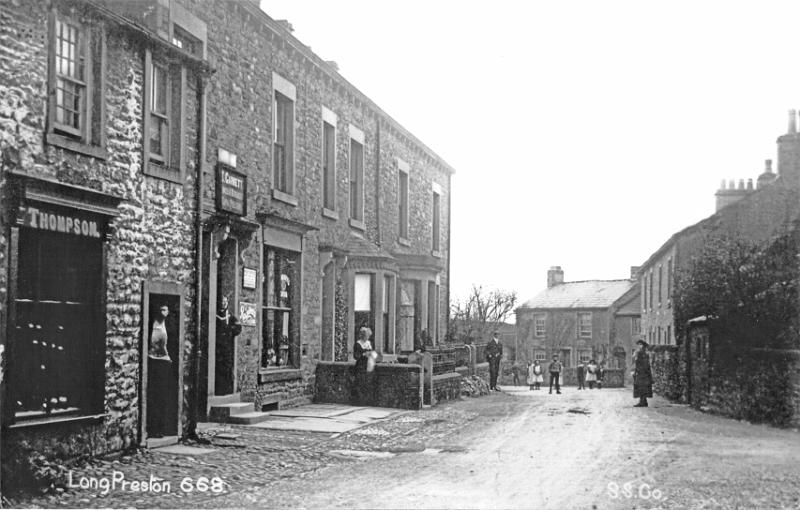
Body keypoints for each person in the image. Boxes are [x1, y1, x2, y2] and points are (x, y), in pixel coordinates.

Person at [148, 304, 172, 438]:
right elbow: (154, 343)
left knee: (163, 396)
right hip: (155, 361)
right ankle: (154, 428)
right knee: (155, 396)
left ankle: (161, 428)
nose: (163, 312)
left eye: (165, 310)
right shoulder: (154, 325)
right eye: (161, 309)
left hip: (164, 362)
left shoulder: (166, 325)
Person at [215, 295, 242, 394]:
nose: (224, 303)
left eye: (225, 302)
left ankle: (226, 389)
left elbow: (238, 328)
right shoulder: (216, 314)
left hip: (227, 348)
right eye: (222, 301)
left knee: (227, 368)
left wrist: (230, 332)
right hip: (217, 348)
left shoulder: (230, 316)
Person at [352, 327, 376, 404]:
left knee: (368, 383)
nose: (368, 337)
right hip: (360, 366)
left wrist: (372, 354)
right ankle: (359, 401)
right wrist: (363, 354)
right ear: (362, 336)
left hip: (368, 365)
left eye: (368, 336)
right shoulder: (358, 344)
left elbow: (373, 353)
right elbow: (355, 356)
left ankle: (367, 400)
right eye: (366, 336)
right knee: (360, 383)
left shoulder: (368, 343)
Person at [633, 340, 653, 407]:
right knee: (642, 387)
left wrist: (639, 370)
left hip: (642, 373)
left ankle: (643, 402)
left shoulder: (641, 353)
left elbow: (643, 364)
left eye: (640, 344)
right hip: (642, 373)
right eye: (638, 344)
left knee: (642, 387)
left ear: (643, 345)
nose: (639, 346)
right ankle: (643, 401)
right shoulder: (642, 352)